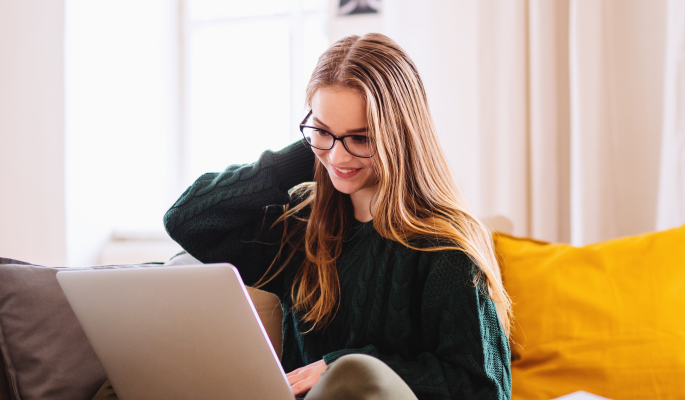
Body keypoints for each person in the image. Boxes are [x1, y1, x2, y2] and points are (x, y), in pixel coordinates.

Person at [133, 33, 511, 400]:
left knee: (354, 379)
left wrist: (341, 366)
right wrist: (305, 156)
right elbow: (187, 218)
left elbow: (483, 388)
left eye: (361, 139)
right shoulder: (303, 226)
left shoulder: (445, 247)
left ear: (401, 136)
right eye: (322, 131)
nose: (339, 158)